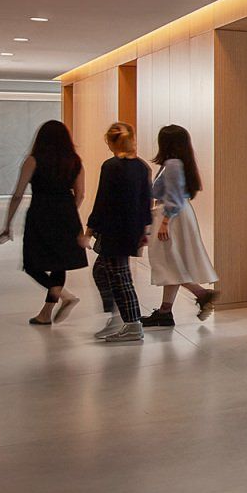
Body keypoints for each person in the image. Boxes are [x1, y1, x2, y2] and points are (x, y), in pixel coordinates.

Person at [0, 120, 87, 324]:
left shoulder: (33, 160)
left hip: (41, 212)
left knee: (31, 262)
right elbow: (81, 194)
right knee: (59, 263)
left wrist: (7, 224)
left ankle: (64, 297)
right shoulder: (75, 161)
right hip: (66, 213)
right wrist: (68, 215)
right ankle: (46, 313)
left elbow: (18, 194)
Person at [139, 125, 219, 327]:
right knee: (171, 262)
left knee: (168, 263)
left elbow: (173, 196)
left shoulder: (173, 164)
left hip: (172, 216)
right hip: (177, 214)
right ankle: (167, 310)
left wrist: (165, 221)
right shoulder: (177, 163)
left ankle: (200, 294)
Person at [85, 121, 152, 343]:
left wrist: (89, 228)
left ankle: (132, 323)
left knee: (120, 277)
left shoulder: (111, 166)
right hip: (130, 229)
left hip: (114, 230)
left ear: (111, 141)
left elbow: (102, 201)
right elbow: (146, 203)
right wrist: (145, 230)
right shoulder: (142, 167)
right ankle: (117, 316)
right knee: (103, 271)